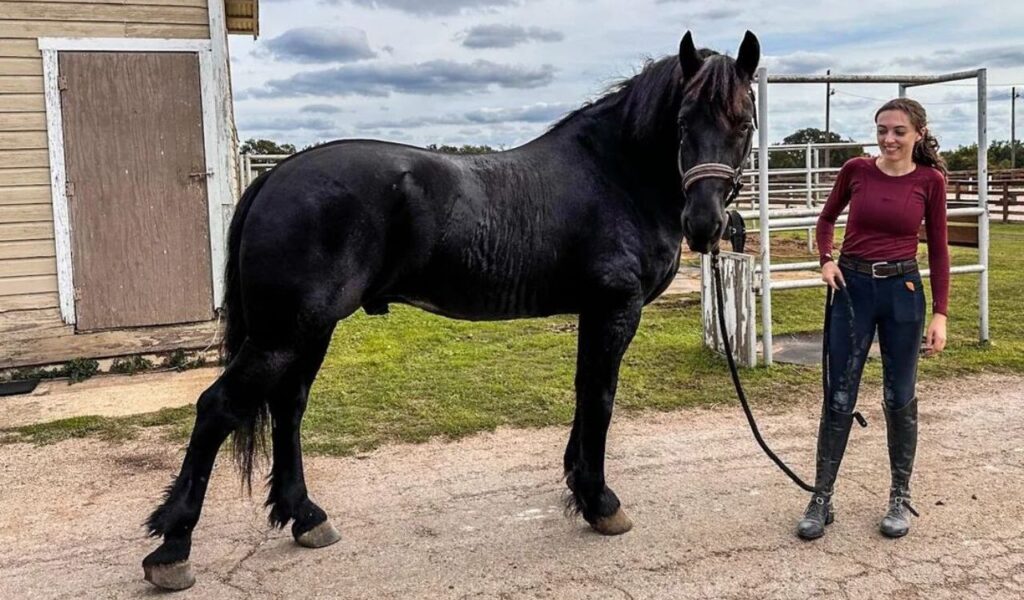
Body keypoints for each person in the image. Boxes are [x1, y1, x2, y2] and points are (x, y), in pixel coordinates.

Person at [797, 98, 949, 540]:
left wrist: (940, 313)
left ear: (918, 133)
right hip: (852, 291)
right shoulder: (856, 171)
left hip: (902, 293)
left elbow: (938, 251)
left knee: (899, 394)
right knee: (840, 393)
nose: (888, 138)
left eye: (899, 130)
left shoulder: (930, 181)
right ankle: (821, 497)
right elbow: (826, 220)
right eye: (882, 129)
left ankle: (899, 496)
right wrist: (826, 260)